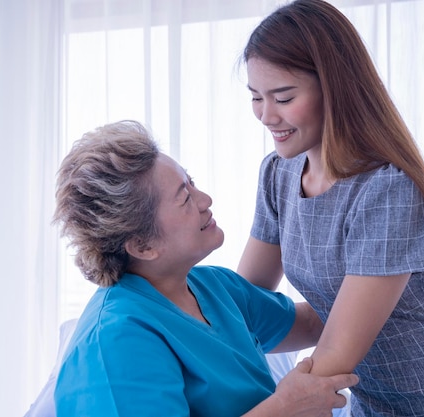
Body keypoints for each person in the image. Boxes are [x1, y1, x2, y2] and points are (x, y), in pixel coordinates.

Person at [237, 0, 424, 416]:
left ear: (334, 89)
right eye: (256, 97)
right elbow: (246, 299)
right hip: (371, 399)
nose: (265, 115)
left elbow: (335, 355)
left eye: (282, 97)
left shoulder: (386, 189)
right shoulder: (277, 174)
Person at [51, 120, 358, 416]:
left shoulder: (214, 286)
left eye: (192, 182)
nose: (205, 200)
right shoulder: (115, 342)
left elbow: (312, 323)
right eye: (185, 199)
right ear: (142, 245)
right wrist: (284, 408)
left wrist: (379, 273)